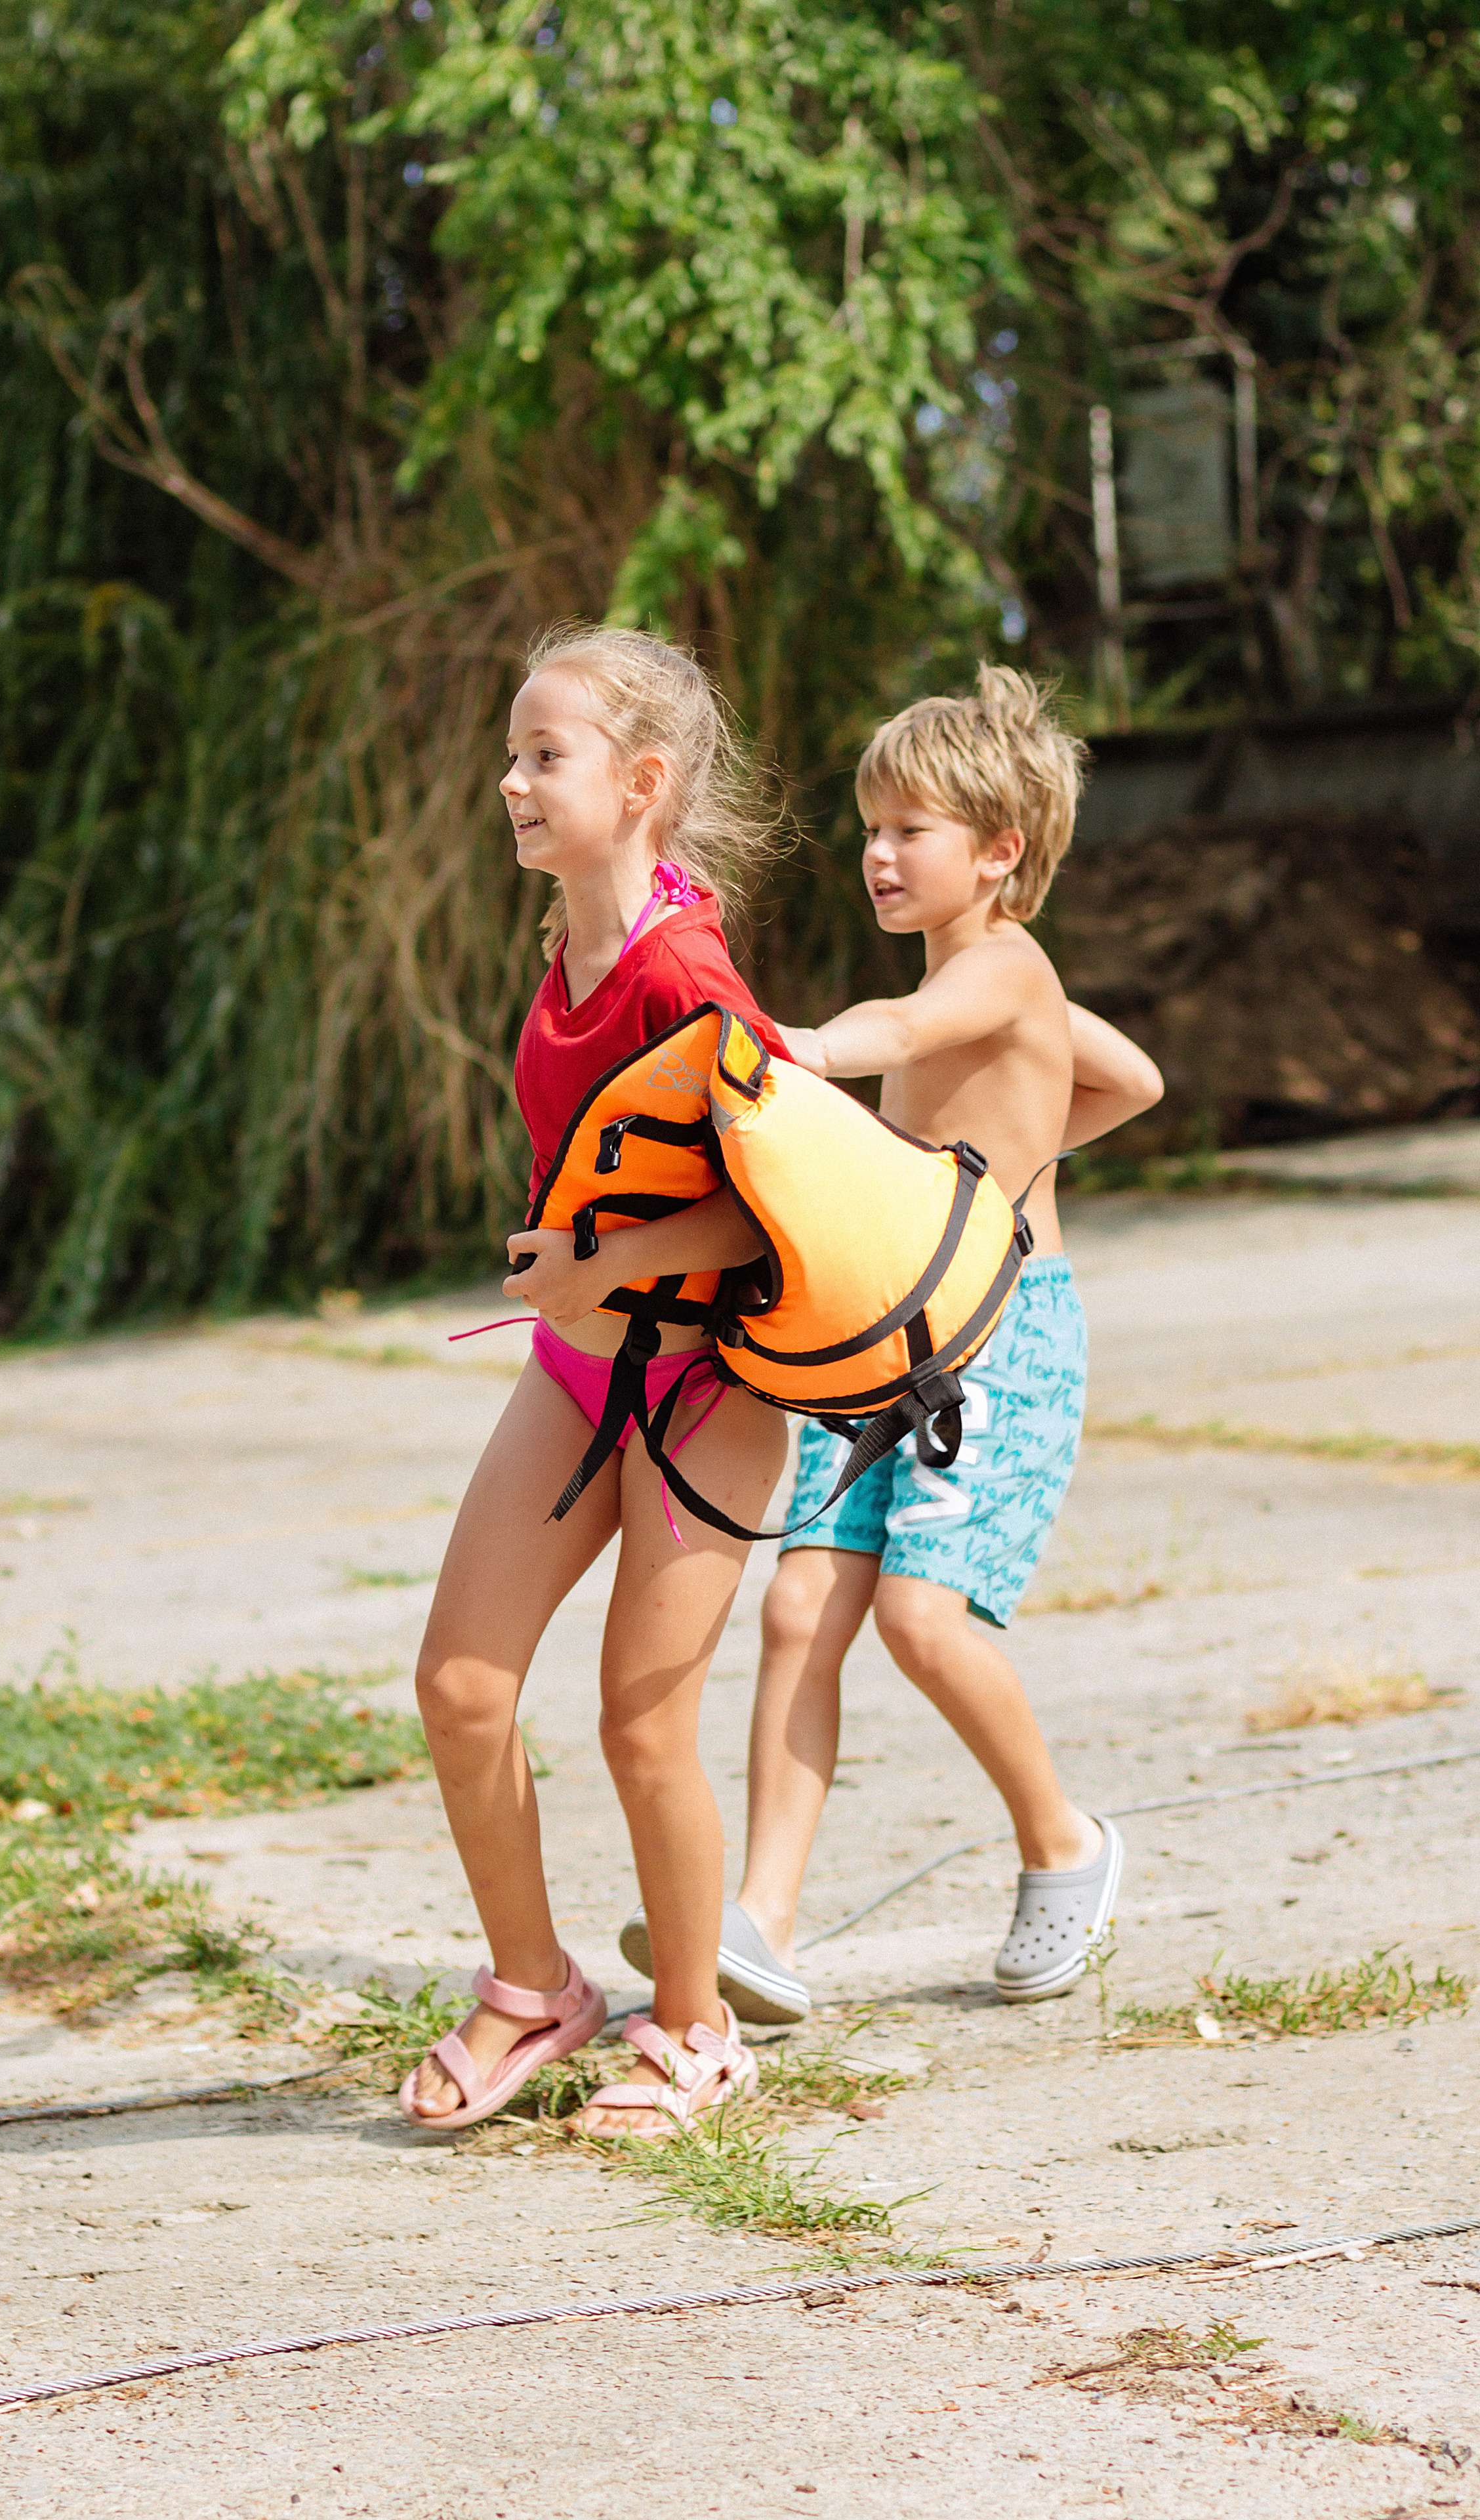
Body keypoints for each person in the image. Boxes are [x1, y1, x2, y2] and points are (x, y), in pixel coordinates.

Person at [635, 666, 1163, 2026]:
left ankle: (1063, 1843)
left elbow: (903, 1032)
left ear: (997, 851)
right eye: (869, 826)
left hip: (998, 1344)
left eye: (906, 830)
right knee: (802, 1608)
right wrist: (1019, 1134)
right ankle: (759, 1917)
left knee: (923, 1621)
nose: (875, 853)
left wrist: (797, 1045)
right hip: (879, 1343)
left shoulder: (996, 967)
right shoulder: (999, 980)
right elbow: (1132, 1080)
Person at [400, 623, 792, 2138]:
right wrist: (583, 1285)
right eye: (510, 754)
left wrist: (605, 1267)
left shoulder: (682, 966)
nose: (508, 781)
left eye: (540, 756)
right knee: (460, 1685)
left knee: (643, 1726)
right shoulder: (566, 940)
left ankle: (693, 2030)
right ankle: (531, 1989)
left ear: (639, 783)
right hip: (577, 1370)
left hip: (711, 1390)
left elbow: (789, 1195)